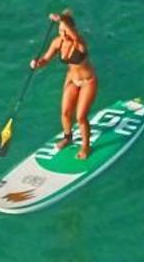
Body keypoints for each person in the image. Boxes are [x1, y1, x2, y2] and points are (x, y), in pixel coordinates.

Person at [29, 10, 97, 158]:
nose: (63, 34)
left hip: (87, 81)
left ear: (72, 30)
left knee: (80, 117)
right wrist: (37, 64)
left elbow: (72, 31)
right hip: (72, 80)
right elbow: (46, 59)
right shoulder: (57, 42)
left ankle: (86, 146)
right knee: (65, 113)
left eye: (66, 31)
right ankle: (68, 137)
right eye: (60, 30)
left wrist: (62, 18)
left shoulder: (80, 43)